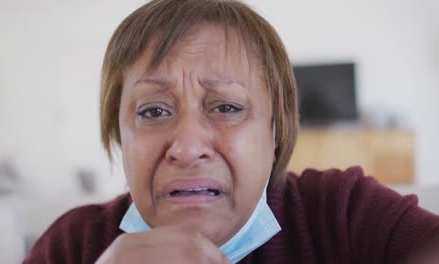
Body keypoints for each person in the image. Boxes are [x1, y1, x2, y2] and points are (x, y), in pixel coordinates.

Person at [24, 0, 439, 263]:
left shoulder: (344, 215)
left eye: (226, 107)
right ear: (119, 132)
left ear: (276, 130)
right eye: (152, 111)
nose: (186, 149)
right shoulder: (72, 246)